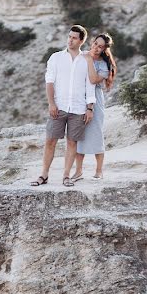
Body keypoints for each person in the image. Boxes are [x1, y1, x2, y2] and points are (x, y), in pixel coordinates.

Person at [30, 25, 95, 188]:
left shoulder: (86, 60)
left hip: (78, 108)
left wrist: (90, 108)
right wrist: (51, 103)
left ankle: (66, 176)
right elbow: (49, 82)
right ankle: (43, 174)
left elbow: (90, 85)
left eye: (74, 37)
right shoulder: (56, 57)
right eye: (69, 36)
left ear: (81, 40)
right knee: (50, 140)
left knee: (72, 143)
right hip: (58, 107)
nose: (70, 40)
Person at [73, 33, 117, 181]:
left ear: (104, 49)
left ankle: (99, 170)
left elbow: (92, 79)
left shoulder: (103, 65)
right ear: (92, 42)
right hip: (79, 98)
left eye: (100, 47)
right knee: (79, 135)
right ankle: (78, 171)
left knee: (96, 133)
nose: (96, 48)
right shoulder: (81, 56)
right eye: (95, 44)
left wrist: (90, 60)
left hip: (96, 101)